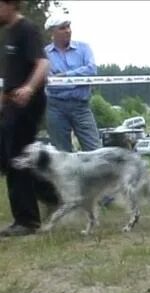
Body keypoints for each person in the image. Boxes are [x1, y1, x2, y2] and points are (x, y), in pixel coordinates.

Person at [0, 0, 60, 237]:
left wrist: (29, 89)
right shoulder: (9, 33)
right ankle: (53, 196)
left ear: (10, 4)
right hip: (11, 104)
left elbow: (43, 63)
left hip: (27, 105)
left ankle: (26, 220)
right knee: (10, 159)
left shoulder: (27, 29)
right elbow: (11, 75)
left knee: (16, 160)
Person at [43, 14, 101, 152]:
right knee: (61, 153)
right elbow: (50, 81)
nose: (68, 30)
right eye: (62, 28)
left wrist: (65, 76)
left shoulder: (83, 48)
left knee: (95, 151)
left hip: (81, 106)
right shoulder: (44, 54)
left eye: (68, 27)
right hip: (55, 108)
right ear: (53, 32)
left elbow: (92, 69)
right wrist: (77, 80)